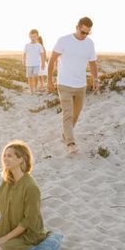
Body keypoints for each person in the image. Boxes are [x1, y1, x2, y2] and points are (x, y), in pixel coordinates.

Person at [47, 16, 99, 155]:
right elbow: (52, 60)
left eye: (88, 33)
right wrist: (49, 80)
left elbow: (92, 63)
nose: (85, 36)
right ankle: (70, 143)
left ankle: (66, 134)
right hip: (64, 83)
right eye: (83, 32)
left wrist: (95, 79)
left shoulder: (89, 44)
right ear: (77, 27)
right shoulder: (63, 40)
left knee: (76, 114)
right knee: (68, 114)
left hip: (81, 85)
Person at [23, 29, 46, 94]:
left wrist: (43, 63)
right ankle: (31, 90)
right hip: (29, 64)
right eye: (31, 37)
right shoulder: (27, 45)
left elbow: (42, 54)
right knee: (29, 77)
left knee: (36, 76)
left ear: (37, 37)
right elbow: (24, 53)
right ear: (29, 37)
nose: (33, 38)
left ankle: (35, 88)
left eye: (34, 36)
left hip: (37, 64)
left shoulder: (39, 45)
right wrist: (24, 60)